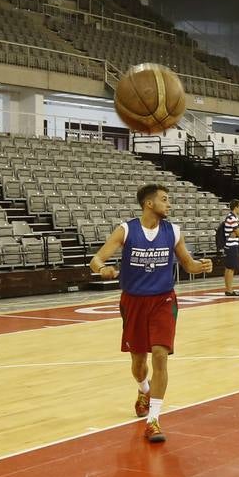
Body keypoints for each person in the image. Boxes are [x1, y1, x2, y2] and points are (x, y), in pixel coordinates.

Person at [89, 183, 213, 444]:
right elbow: (96, 260)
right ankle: (143, 389)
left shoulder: (174, 231)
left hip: (163, 300)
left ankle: (153, 419)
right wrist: (103, 270)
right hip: (133, 301)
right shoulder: (126, 229)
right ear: (149, 204)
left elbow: (187, 264)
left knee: (160, 355)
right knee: (138, 363)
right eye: (164, 200)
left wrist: (200, 267)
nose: (169, 204)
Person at [221, 200, 239, 297]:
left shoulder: (232, 218)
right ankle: (229, 290)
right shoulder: (232, 218)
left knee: (229, 268)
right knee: (230, 268)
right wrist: (237, 231)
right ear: (236, 207)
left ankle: (229, 289)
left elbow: (237, 233)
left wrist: (236, 232)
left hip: (230, 245)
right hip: (231, 245)